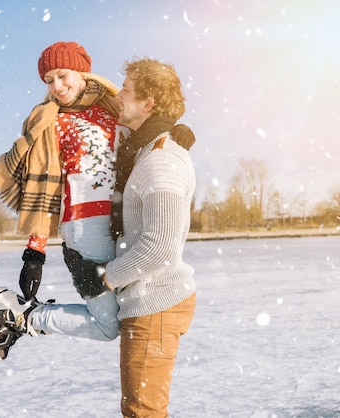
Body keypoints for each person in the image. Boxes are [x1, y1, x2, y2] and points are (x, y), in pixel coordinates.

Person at [64, 58, 197, 417]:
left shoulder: (161, 160)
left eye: (126, 90)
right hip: (148, 299)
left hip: (156, 302)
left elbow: (160, 248)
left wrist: (103, 277)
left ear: (148, 103)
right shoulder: (141, 148)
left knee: (143, 413)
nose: (117, 96)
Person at [0, 41, 129, 360]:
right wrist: (35, 252)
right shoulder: (50, 121)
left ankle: (22, 317)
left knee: (133, 312)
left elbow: (144, 135)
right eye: (49, 81)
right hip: (84, 229)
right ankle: (23, 317)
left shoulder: (117, 108)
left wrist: (170, 132)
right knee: (109, 324)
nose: (57, 87)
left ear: (81, 71)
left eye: (62, 76)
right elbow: (47, 189)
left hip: (124, 224)